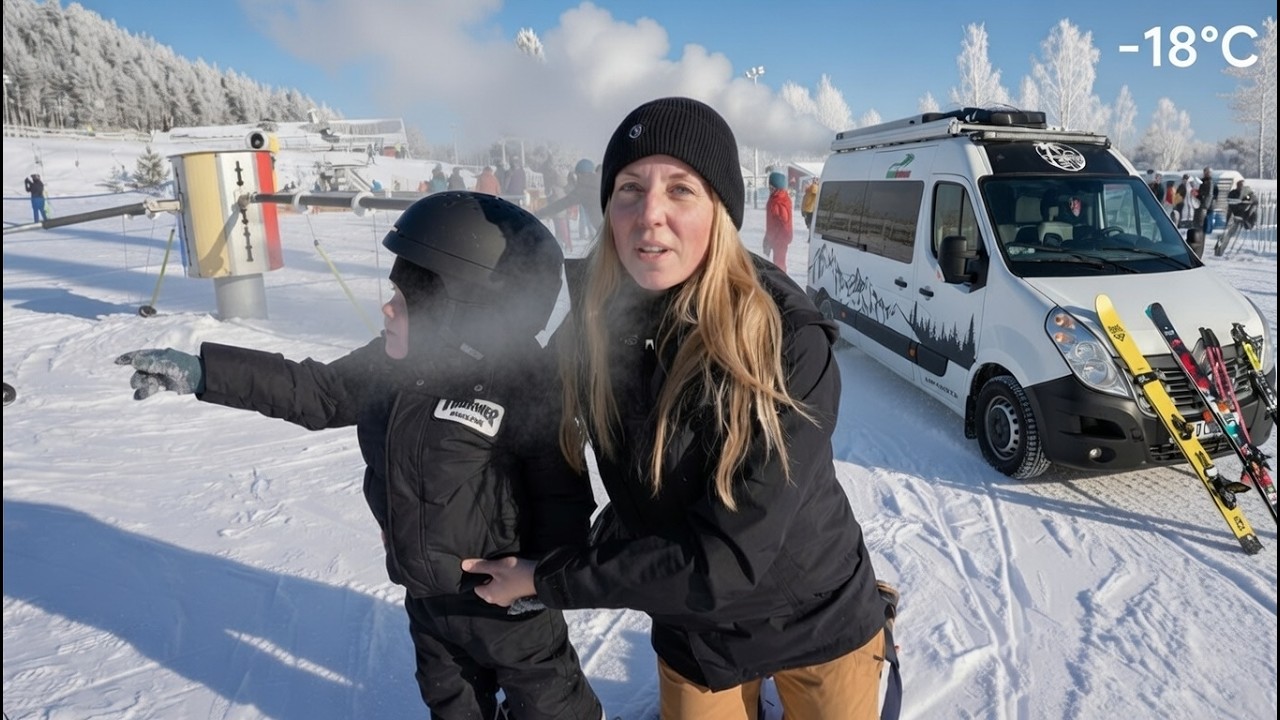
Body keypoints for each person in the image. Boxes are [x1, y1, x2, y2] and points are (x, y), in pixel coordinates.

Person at [463, 97, 897, 720]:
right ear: (608, 209)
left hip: (815, 618)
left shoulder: (785, 340)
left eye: (681, 190)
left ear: (719, 210)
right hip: (696, 634)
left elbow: (724, 561)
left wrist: (547, 578)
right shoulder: (591, 326)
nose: (650, 216)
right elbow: (516, 411)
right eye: (629, 189)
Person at [114, 192, 604, 720]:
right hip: (426, 599)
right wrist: (206, 372)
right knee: (452, 703)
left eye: (405, 298)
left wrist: (542, 579)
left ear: (459, 311)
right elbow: (317, 392)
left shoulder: (525, 386)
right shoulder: (391, 364)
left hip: (509, 604)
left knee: (551, 706)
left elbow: (561, 493)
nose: (387, 308)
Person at [534, 158, 603, 249]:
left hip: (603, 228)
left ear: (580, 174)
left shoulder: (583, 190)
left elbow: (561, 204)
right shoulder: (603, 181)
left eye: (577, 175)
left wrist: (539, 213)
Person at [764, 171, 793, 271]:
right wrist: (768, 238)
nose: (769, 189)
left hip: (780, 240)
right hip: (775, 238)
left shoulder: (779, 201)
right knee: (776, 264)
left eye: (771, 187)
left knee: (779, 266)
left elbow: (785, 224)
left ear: (775, 187)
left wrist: (781, 239)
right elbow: (772, 222)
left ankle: (781, 284)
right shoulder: (774, 198)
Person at [1197, 167, 1218, 235]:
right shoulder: (1203, 181)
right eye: (1205, 172)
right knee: (1204, 219)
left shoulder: (1210, 182)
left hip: (1209, 204)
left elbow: (1210, 194)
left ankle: (1207, 231)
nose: (1206, 174)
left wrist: (1206, 205)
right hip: (1204, 202)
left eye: (1208, 172)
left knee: (1208, 219)